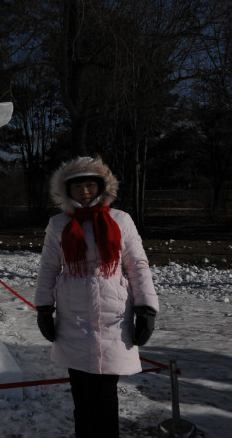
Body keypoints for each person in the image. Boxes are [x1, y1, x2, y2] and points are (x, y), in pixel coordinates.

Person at [34, 156, 159, 438]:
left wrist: (146, 309)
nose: (85, 192)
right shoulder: (58, 225)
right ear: (67, 190)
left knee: (105, 394)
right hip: (73, 316)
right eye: (78, 187)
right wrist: (43, 307)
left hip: (113, 315)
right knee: (82, 393)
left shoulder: (120, 220)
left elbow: (137, 265)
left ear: (102, 187)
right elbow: (49, 267)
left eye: (90, 185)